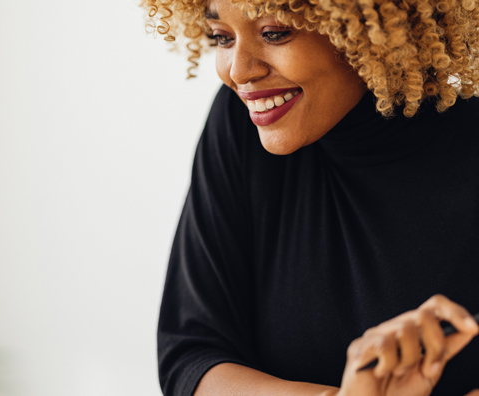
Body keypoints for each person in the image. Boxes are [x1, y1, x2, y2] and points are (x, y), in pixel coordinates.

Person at [140, 0, 479, 394]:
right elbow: (191, 354)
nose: (239, 71)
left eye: (274, 33)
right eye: (222, 37)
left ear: (367, 31)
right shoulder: (239, 129)